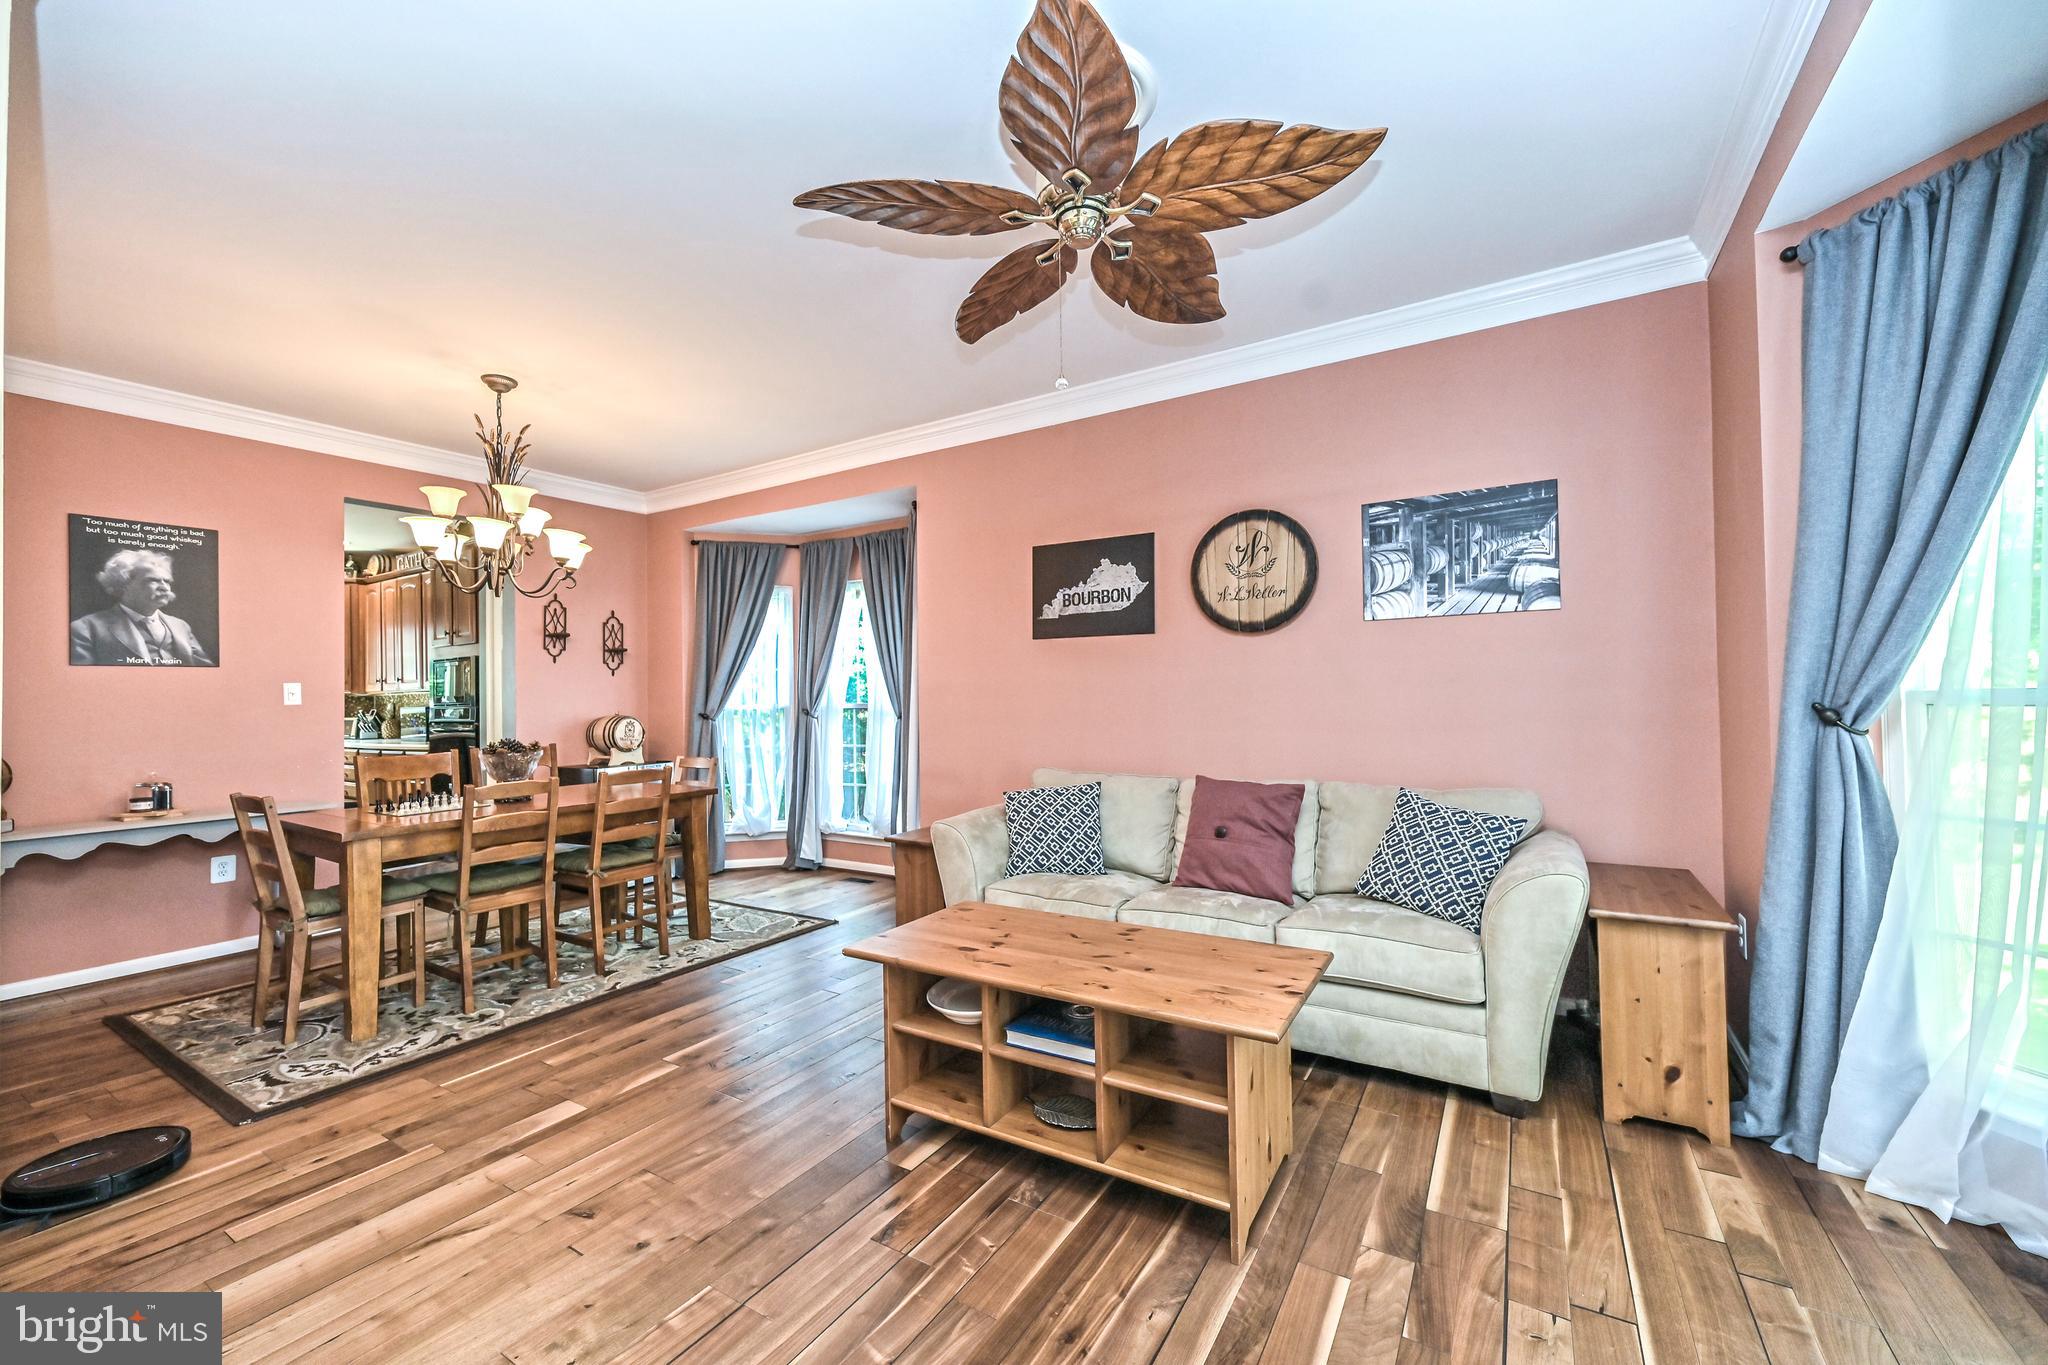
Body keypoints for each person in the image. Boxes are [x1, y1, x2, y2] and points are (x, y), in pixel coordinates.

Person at [69, 549, 215, 666]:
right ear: (123, 584)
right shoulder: (85, 628)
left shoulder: (181, 626)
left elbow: (206, 671)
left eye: (167, 581)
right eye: (152, 580)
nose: (164, 587)